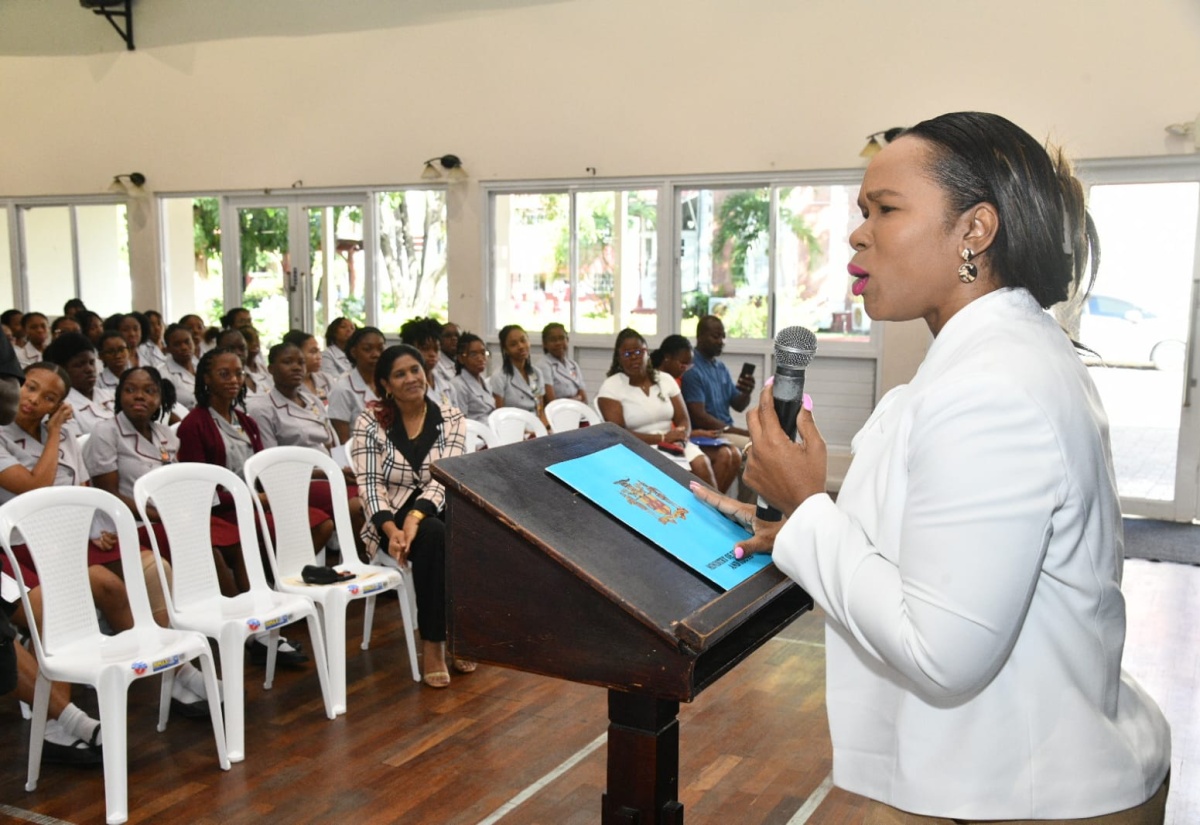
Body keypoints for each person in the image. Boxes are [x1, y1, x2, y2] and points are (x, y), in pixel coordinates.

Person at [694, 112, 1171, 823]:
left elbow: (943, 651)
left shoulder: (993, 387)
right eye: (862, 211)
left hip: (1030, 793)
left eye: (885, 210)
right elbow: (934, 556)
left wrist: (808, 506)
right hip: (996, 777)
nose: (858, 233)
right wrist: (798, 525)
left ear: (974, 231)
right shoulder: (995, 358)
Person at [176, 347, 330, 666]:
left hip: (254, 503)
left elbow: (259, 469)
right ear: (206, 379)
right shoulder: (195, 424)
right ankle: (254, 629)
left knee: (319, 523)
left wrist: (268, 493)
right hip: (217, 509)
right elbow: (199, 486)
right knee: (241, 544)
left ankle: (277, 593)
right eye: (224, 374)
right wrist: (250, 498)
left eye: (238, 374)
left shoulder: (243, 420)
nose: (234, 380)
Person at [82, 365, 218, 716]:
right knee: (162, 568)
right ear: (118, 395)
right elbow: (107, 494)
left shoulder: (165, 436)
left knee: (205, 547)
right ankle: (179, 669)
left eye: (148, 391)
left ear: (160, 398)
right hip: (119, 526)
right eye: (130, 390)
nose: (139, 397)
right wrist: (158, 515)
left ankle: (186, 658)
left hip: (159, 523)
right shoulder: (105, 432)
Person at [349, 344, 470, 689]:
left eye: (415, 370)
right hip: (391, 510)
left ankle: (455, 634)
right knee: (434, 535)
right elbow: (370, 485)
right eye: (400, 374)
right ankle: (436, 645)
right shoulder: (370, 422)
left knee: (449, 529)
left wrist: (415, 518)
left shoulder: (451, 418)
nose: (411, 379)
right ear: (386, 384)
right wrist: (391, 529)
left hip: (440, 503)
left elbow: (445, 479)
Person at [596, 328, 717, 489]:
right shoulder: (612, 386)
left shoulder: (665, 379)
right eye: (627, 353)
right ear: (618, 358)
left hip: (674, 441)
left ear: (647, 352)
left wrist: (681, 437)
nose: (633, 357)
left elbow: (683, 418)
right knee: (677, 472)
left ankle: (718, 511)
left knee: (702, 463)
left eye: (638, 351)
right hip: (638, 446)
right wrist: (662, 439)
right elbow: (618, 432)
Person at [651, 334, 739, 493]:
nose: (685, 369)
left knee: (734, 453)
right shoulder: (656, 381)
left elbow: (683, 421)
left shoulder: (677, 380)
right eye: (682, 363)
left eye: (688, 365)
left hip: (685, 435)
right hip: (670, 438)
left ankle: (717, 502)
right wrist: (697, 432)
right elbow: (668, 424)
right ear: (667, 358)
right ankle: (712, 503)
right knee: (725, 455)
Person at [680, 315, 755, 449]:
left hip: (727, 431)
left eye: (723, 337)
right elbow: (699, 417)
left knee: (765, 446)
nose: (721, 341)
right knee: (756, 448)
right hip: (710, 434)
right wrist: (735, 430)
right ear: (700, 336)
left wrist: (746, 392)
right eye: (715, 337)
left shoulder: (721, 368)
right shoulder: (692, 369)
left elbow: (738, 405)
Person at [42, 332, 115, 437]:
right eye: (79, 365)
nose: (89, 369)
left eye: (91, 362)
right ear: (63, 370)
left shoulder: (112, 395)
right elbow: (75, 445)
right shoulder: (62, 406)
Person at [327, 326, 385, 444]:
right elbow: (341, 442)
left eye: (380, 349)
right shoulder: (343, 389)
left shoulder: (389, 383)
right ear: (354, 352)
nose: (376, 354)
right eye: (367, 349)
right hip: (359, 454)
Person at [490, 324, 550, 426]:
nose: (521, 346)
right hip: (513, 428)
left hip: (535, 426)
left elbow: (540, 411)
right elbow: (499, 416)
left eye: (523, 340)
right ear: (505, 349)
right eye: (513, 344)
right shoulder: (499, 377)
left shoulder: (536, 373)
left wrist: (545, 429)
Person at [400, 316, 465, 412]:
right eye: (425, 349)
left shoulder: (447, 387)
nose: (432, 354)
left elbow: (457, 420)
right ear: (409, 350)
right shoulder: (407, 387)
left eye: (436, 349)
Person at [450, 332, 495, 424]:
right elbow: (462, 422)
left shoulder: (483, 381)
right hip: (476, 434)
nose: (480, 358)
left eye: (483, 353)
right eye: (474, 354)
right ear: (461, 358)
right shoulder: (458, 385)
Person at [281, 329, 334, 406]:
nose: (319, 356)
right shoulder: (288, 385)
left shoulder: (326, 379)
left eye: (319, 351)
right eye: (313, 352)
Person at [538, 322, 587, 403]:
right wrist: (577, 399)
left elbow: (584, 398)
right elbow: (551, 402)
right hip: (556, 414)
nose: (558, 343)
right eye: (553, 340)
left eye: (561, 338)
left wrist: (569, 400)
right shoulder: (543, 366)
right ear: (544, 344)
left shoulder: (573, 365)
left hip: (577, 412)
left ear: (567, 340)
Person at [161, 323, 197, 409]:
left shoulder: (203, 366)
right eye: (177, 344)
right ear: (168, 348)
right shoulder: (163, 374)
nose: (184, 347)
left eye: (187, 342)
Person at [434, 321, 460, 388]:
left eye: (457, 336)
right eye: (448, 335)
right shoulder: (436, 363)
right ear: (439, 340)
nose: (454, 339)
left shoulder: (462, 361)